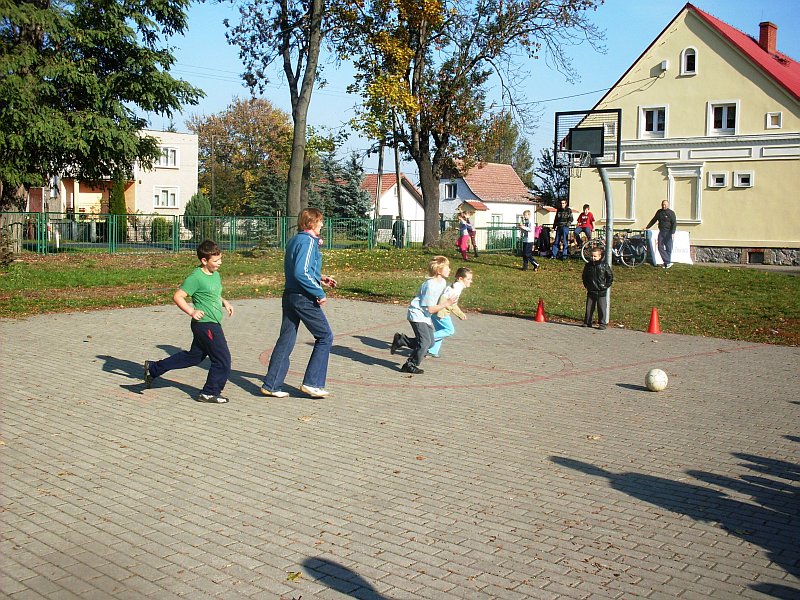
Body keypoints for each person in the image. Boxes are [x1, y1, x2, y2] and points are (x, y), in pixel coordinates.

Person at [143, 240, 234, 404]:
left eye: (220, 259)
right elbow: (178, 296)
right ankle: (209, 393)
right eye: (216, 260)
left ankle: (154, 368)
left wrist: (224, 302)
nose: (219, 263)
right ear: (204, 260)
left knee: (194, 357)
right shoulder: (195, 277)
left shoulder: (215, 274)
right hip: (206, 325)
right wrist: (191, 311)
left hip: (211, 323)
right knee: (222, 360)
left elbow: (212, 294)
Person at [261, 208, 338, 399]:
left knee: (286, 338)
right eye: (320, 221)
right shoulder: (308, 242)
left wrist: (320, 278)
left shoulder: (295, 240)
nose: (322, 224)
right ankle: (312, 383)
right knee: (325, 336)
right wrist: (318, 292)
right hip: (303, 297)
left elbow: (301, 268)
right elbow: (300, 273)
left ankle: (271, 384)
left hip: (290, 295)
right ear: (311, 223)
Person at [390, 255, 454, 374]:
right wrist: (446, 304)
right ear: (439, 270)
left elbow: (440, 299)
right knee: (424, 343)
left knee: (431, 342)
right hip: (417, 315)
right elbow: (430, 309)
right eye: (447, 267)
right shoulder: (430, 285)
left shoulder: (442, 282)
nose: (449, 269)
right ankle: (410, 364)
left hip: (425, 316)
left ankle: (401, 340)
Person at [428, 267, 473, 358]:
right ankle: (424, 340)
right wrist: (441, 313)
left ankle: (432, 351)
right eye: (468, 279)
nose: (470, 281)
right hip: (441, 312)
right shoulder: (457, 288)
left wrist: (460, 314)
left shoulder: (456, 286)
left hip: (439, 312)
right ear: (460, 278)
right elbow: (445, 300)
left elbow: (451, 302)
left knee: (441, 331)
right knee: (449, 330)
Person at [582, 245, 614, 330]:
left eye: (595, 256)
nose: (593, 258)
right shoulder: (588, 265)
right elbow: (584, 276)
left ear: (600, 256)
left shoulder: (604, 265)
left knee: (601, 308)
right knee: (589, 308)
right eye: (592, 256)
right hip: (591, 290)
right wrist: (587, 285)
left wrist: (606, 285)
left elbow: (610, 276)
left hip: (601, 291)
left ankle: (602, 323)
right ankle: (587, 321)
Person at [646, 199, 677, 269]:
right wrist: (647, 227)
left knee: (669, 248)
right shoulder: (659, 212)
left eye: (665, 204)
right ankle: (668, 262)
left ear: (668, 205)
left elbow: (674, 223)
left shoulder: (671, 213)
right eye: (663, 204)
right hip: (661, 232)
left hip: (669, 232)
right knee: (660, 247)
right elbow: (654, 220)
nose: (664, 206)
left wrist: (673, 232)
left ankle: (666, 264)